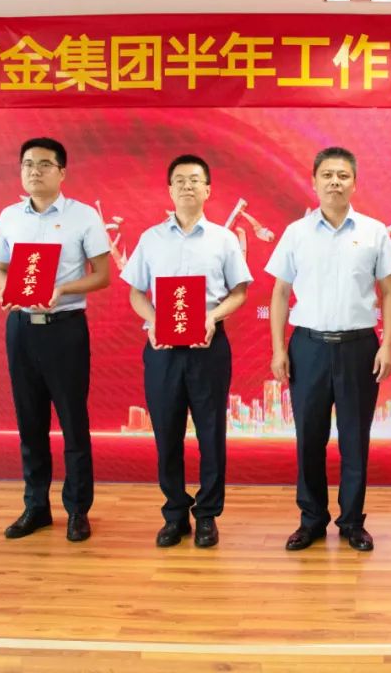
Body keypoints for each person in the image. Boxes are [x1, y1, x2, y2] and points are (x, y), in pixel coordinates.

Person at [265, 146, 391, 552]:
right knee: (309, 437)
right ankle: (310, 520)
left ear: (354, 183)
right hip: (307, 347)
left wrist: (387, 345)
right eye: (327, 175)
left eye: (343, 176)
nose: (335, 182)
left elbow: (390, 292)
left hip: (359, 347)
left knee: (355, 440)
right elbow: (280, 293)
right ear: (314, 182)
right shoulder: (296, 233)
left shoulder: (374, 232)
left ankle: (352, 522)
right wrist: (278, 349)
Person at [121, 154, 252, 548]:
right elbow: (136, 292)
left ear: (208, 190)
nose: (187, 186)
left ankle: (207, 514)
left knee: (211, 433)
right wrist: (152, 321)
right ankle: (175, 514)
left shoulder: (224, 240)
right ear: (169, 190)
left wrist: (212, 317)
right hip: (162, 349)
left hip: (208, 347)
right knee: (166, 432)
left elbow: (240, 292)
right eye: (179, 180)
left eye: (195, 180)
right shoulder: (151, 238)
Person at [0, 137, 110, 542]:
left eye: (43, 164)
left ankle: (77, 510)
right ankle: (36, 506)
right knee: (30, 420)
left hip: (64, 328)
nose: (34, 171)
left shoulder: (83, 216)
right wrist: (6, 290)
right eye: (27, 164)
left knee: (73, 421)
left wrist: (63, 289)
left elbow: (102, 275)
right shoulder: (9, 216)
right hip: (21, 328)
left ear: (62, 172)